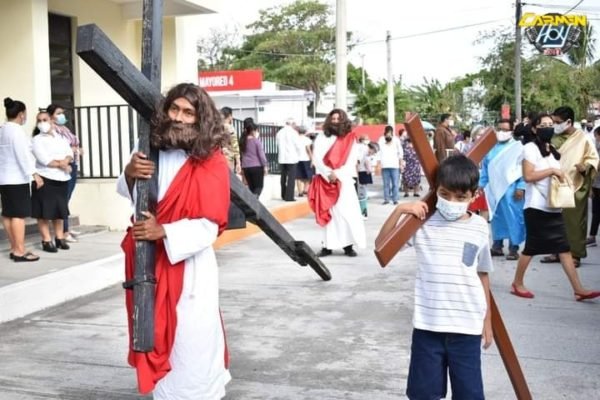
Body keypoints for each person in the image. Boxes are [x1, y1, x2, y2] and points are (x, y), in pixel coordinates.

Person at [116, 83, 231, 398]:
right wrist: (129, 172)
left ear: (200, 118)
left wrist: (165, 231)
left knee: (191, 340)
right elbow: (129, 195)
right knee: (154, 332)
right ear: (165, 111)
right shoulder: (147, 148)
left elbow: (210, 226)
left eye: (188, 112)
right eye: (174, 109)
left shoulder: (211, 161)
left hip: (191, 268)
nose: (179, 118)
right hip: (150, 261)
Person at [378, 155, 493, 400]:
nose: (452, 202)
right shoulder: (422, 224)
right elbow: (382, 247)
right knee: (423, 394)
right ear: (436, 191)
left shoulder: (480, 227)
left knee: (469, 394)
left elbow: (482, 274)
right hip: (428, 326)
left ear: (474, 195)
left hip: (467, 328)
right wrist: (400, 211)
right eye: (445, 194)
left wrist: (488, 321)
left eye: (461, 197)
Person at [510, 113, 600, 301]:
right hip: (536, 207)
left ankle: (578, 289)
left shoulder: (551, 150)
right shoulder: (530, 149)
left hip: (553, 207)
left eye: (551, 124)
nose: (549, 128)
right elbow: (528, 176)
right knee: (531, 248)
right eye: (544, 125)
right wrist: (552, 171)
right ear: (534, 128)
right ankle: (517, 283)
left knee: (564, 248)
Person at [541, 106, 599, 267]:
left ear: (568, 122)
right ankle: (556, 252)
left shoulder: (583, 138)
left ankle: (575, 254)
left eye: (558, 122)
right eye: (554, 122)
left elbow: (593, 159)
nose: (555, 125)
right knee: (554, 221)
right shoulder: (553, 137)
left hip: (575, 185)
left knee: (574, 222)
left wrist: (585, 167)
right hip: (554, 184)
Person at [309, 108, 366, 257]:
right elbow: (317, 158)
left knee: (346, 213)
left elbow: (352, 160)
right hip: (325, 180)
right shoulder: (322, 137)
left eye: (337, 119)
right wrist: (328, 173)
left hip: (344, 180)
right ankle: (327, 246)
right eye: (332, 119)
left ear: (343, 121)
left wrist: (338, 174)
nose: (335, 121)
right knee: (329, 214)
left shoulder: (350, 138)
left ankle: (348, 246)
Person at [479, 119, 526, 260]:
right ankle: (497, 246)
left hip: (512, 191)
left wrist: (521, 187)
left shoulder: (518, 148)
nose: (502, 132)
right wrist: (481, 185)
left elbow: (523, 168)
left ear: (511, 131)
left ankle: (513, 248)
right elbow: (485, 169)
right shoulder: (491, 148)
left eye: (505, 130)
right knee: (496, 218)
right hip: (493, 190)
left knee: (514, 218)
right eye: (499, 129)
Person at [0, 97, 40, 262]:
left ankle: (14, 247)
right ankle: (20, 251)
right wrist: (34, 173)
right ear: (22, 114)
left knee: (8, 214)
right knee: (18, 215)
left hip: (4, 178)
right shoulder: (16, 131)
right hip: (16, 179)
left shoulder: (2, 129)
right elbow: (22, 156)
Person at [31, 110, 74, 252]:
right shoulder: (37, 139)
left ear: (51, 120)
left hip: (61, 179)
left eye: (45, 119)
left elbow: (70, 153)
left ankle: (59, 237)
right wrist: (63, 165)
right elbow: (44, 159)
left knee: (59, 211)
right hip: (45, 178)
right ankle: (46, 240)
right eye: (39, 120)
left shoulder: (60, 138)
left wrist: (66, 161)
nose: (42, 123)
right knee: (44, 212)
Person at [48, 104, 81, 243]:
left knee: (66, 198)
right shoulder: (52, 131)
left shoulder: (64, 129)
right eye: (58, 113)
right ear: (51, 116)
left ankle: (66, 228)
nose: (62, 116)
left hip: (72, 164)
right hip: (63, 166)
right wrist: (71, 150)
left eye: (62, 113)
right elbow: (62, 147)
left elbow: (73, 143)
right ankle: (63, 231)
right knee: (63, 199)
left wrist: (76, 149)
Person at [240, 118, 268, 196]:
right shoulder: (256, 141)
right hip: (256, 167)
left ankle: (252, 203)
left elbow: (241, 155)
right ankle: (255, 202)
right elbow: (261, 155)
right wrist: (265, 166)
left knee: (251, 188)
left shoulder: (242, 141)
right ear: (253, 131)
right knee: (259, 187)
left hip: (246, 167)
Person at [276, 118, 302, 201]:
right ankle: (289, 196)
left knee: (283, 177)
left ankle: (283, 195)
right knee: (291, 178)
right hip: (292, 158)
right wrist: (298, 155)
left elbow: (277, 144)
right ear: (292, 124)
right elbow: (298, 146)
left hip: (282, 158)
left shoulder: (279, 132)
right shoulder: (294, 133)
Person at [378, 126, 403, 205]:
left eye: (390, 132)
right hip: (384, 165)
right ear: (385, 132)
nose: (389, 134)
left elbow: (400, 152)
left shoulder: (396, 140)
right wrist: (378, 164)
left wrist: (401, 162)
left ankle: (395, 199)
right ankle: (386, 199)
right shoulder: (381, 139)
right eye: (387, 132)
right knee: (386, 184)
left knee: (395, 184)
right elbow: (378, 152)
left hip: (394, 165)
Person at [586, 126, 600, 247]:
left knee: (596, 212)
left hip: (597, 185)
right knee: (596, 211)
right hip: (596, 185)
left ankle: (592, 236)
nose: (596, 139)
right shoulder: (596, 149)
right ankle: (592, 236)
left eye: (596, 136)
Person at [357, 141, 378, 219]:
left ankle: (363, 212)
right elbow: (359, 162)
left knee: (363, 193)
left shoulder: (365, 152)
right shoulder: (363, 150)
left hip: (362, 173)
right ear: (371, 148)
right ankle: (363, 213)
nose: (373, 154)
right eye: (374, 152)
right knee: (362, 194)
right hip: (361, 173)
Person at [220, 106, 242, 175]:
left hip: (219, 157)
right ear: (229, 116)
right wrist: (238, 162)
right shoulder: (230, 128)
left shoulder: (217, 128)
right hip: (229, 158)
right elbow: (235, 146)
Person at [296, 126, 313, 197]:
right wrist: (312, 158)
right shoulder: (307, 139)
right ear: (305, 132)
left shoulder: (295, 139)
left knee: (298, 177)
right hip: (306, 159)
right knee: (308, 176)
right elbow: (308, 149)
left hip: (296, 160)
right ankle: (305, 190)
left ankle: (300, 192)